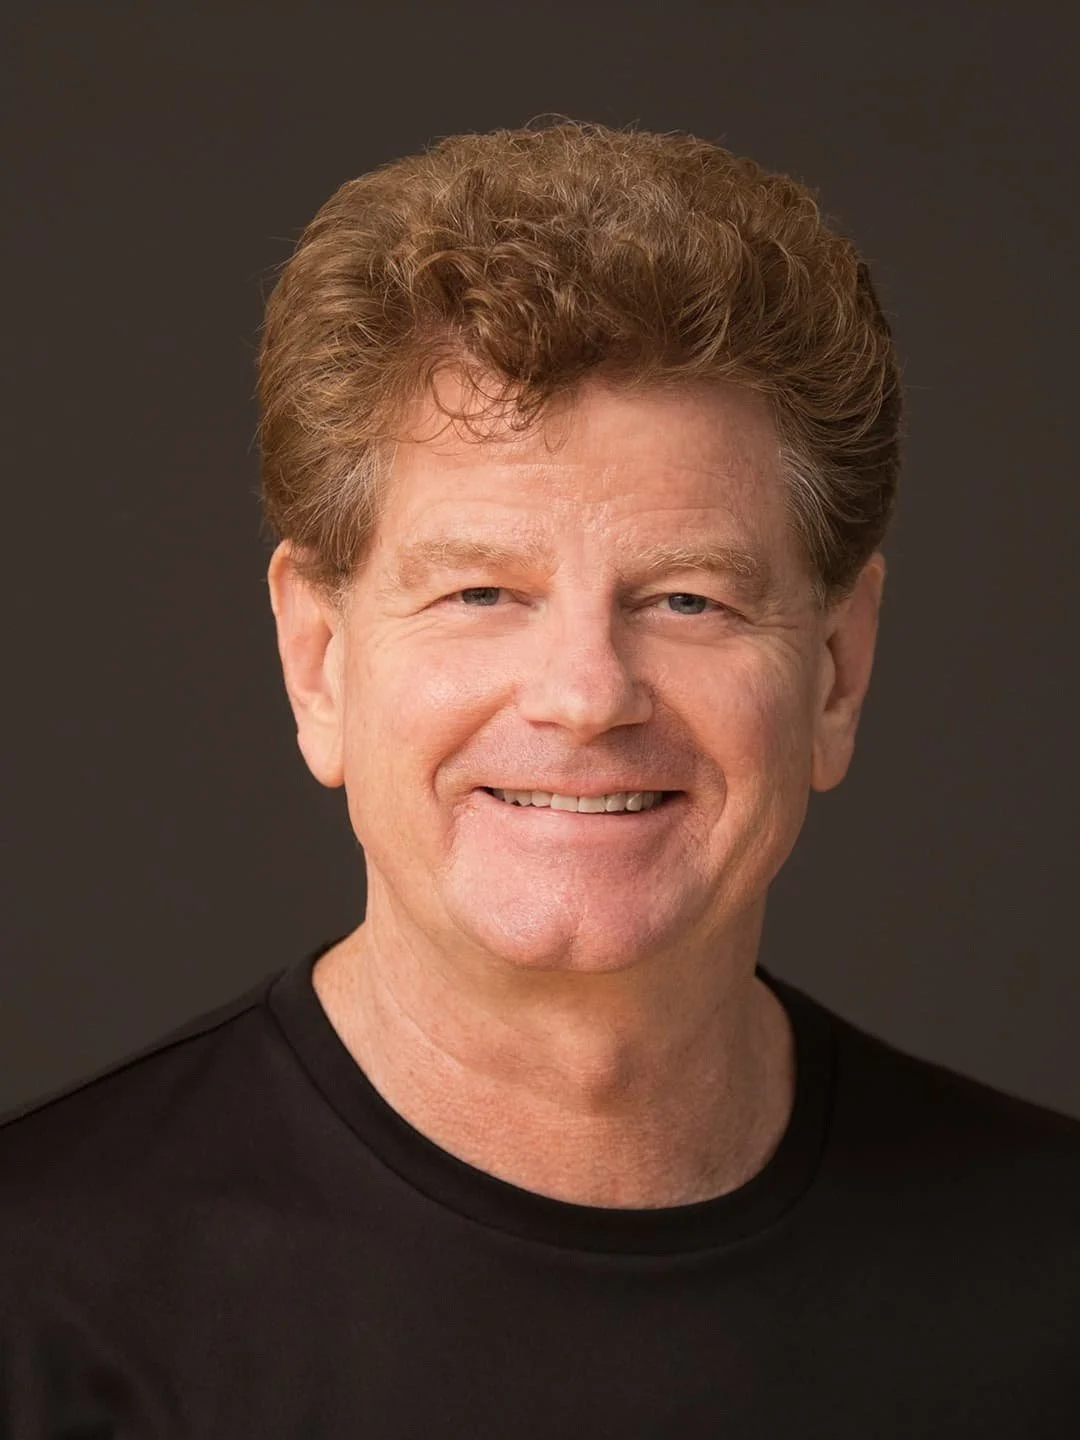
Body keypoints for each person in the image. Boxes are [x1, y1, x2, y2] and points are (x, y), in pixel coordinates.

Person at [1, 121, 1077, 1438]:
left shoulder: (1053, 1276)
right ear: (319, 661)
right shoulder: (36, 1298)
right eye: (480, 593)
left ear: (836, 673)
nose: (584, 694)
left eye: (687, 599)